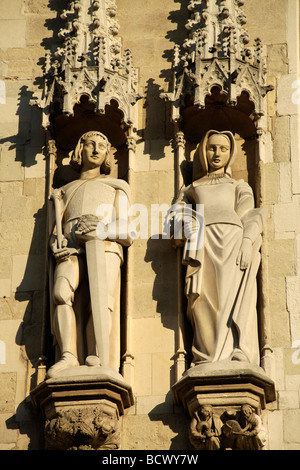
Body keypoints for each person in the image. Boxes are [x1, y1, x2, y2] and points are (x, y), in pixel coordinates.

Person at [173, 130, 265, 365]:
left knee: (232, 296)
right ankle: (208, 353)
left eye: (223, 149)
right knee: (202, 298)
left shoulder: (239, 185)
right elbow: (175, 216)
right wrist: (188, 222)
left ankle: (237, 347)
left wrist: (247, 241)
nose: (217, 153)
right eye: (212, 148)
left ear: (230, 153)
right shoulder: (192, 187)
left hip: (233, 241)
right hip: (202, 242)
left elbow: (250, 213)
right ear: (204, 151)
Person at [47, 131, 133, 377]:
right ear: (79, 150)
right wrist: (56, 242)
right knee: (61, 293)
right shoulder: (64, 192)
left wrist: (102, 228)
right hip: (72, 246)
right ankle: (68, 355)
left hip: (105, 247)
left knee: (100, 302)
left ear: (107, 154)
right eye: (91, 144)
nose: (96, 149)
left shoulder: (117, 186)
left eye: (103, 146)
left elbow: (128, 231)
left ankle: (97, 354)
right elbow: (56, 230)